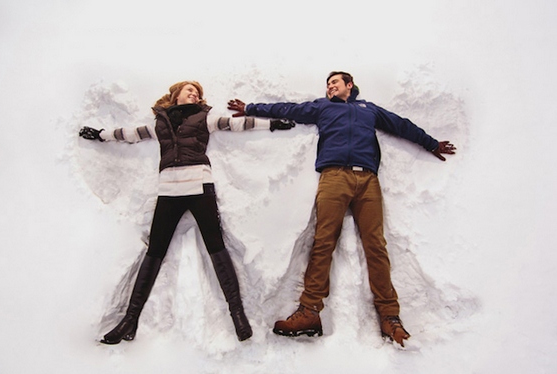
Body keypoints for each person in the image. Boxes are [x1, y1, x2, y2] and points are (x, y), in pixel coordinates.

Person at [227, 71, 455, 347]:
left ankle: (390, 317)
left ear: (349, 85)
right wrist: (251, 108)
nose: (329, 86)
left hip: (368, 180)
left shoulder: (368, 110)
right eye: (327, 84)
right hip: (334, 177)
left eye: (334, 82)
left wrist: (431, 144)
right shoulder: (322, 107)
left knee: (376, 245)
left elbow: (400, 125)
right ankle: (309, 311)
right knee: (324, 241)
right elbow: (289, 109)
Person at [79, 80, 294, 344]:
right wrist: (101, 134)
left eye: (198, 92)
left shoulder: (204, 118)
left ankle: (238, 315)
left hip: (199, 185)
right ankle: (129, 320)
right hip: (168, 191)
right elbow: (130, 134)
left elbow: (236, 124)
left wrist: (271, 123)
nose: (195, 94)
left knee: (216, 246)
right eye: (190, 90)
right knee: (154, 251)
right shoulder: (158, 123)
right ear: (176, 94)